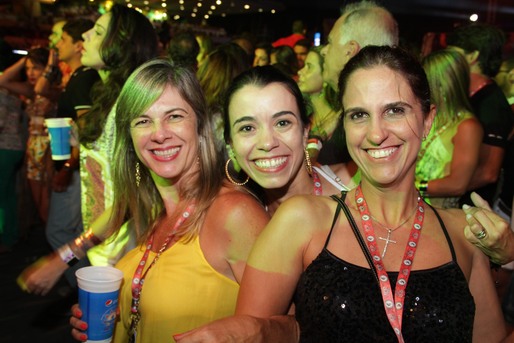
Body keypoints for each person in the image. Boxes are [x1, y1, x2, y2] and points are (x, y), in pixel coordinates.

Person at [177, 45, 508, 343]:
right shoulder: (301, 220)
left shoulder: (463, 236)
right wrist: (259, 331)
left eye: (395, 110)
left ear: (427, 121)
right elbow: (257, 331)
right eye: (359, 115)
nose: (377, 133)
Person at [70, 58, 269, 343]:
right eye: (142, 121)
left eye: (174, 116)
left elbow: (281, 326)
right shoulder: (155, 212)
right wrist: (111, 320)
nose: (159, 134)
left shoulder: (233, 213)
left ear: (200, 125)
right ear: (130, 136)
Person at [18, 5, 158, 294]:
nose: (84, 34)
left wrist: (64, 256)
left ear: (120, 45)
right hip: (105, 249)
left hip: (128, 253)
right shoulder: (109, 98)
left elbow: (132, 198)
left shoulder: (132, 107)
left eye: (97, 32)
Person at [318, 0, 399, 165]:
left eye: (331, 42)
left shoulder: (362, 127)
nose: (323, 50)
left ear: (350, 50)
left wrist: (315, 139)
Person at [446, 23, 514, 207]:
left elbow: (489, 172)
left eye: (453, 52)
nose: (447, 59)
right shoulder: (468, 97)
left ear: (473, 56)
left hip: (470, 212)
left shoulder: (492, 105)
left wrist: (439, 188)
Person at [416, 49, 483, 208]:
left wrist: (412, 188)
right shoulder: (430, 114)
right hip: (412, 206)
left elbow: (457, 184)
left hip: (438, 214)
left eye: (427, 80)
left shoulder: (467, 126)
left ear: (443, 85)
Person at [0, 47, 57, 224]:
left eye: (36, 68)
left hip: (50, 150)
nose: (31, 73)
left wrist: (50, 65)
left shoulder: (55, 90)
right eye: (28, 69)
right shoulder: (30, 90)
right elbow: (3, 80)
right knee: (38, 205)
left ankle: (63, 249)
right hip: (32, 149)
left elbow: (42, 89)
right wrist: (23, 61)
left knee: (49, 203)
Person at [297, 45, 341, 164]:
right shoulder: (303, 119)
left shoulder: (339, 123)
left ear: (326, 76)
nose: (300, 72)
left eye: (309, 67)